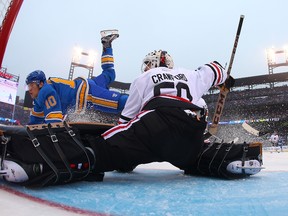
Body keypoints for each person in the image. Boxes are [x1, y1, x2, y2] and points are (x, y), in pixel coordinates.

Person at [0, 50, 263, 186]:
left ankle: (35, 163)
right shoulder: (191, 75)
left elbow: (128, 120)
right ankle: (231, 158)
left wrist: (124, 157)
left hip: (155, 123)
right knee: (194, 158)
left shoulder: (143, 78)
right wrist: (225, 79)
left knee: (102, 147)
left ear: (149, 65)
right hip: (191, 127)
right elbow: (215, 68)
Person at [26, 30, 128, 125]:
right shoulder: (38, 100)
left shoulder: (45, 91)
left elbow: (54, 121)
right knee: (110, 73)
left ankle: (142, 103)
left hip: (86, 93)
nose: (29, 89)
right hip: (88, 84)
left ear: (41, 84)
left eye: (31, 85)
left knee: (120, 102)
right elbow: (34, 122)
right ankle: (107, 44)